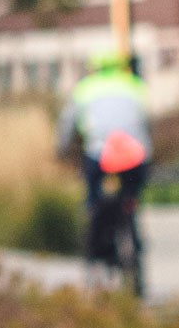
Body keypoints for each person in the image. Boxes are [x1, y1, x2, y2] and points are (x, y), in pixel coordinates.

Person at [58, 51, 153, 267]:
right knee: (131, 192)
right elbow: (147, 119)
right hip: (135, 153)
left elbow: (67, 123)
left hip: (100, 152)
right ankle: (131, 212)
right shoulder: (135, 85)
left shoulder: (86, 88)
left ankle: (94, 227)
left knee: (93, 191)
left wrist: (62, 149)